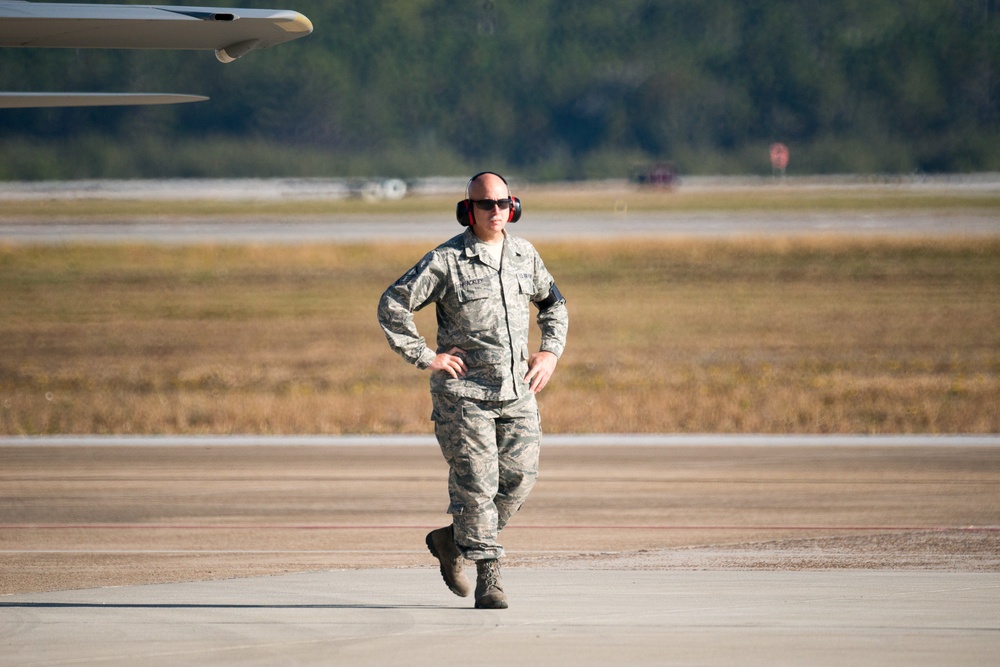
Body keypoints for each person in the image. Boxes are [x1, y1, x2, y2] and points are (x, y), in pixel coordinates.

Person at [377, 171, 568, 609]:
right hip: (464, 398)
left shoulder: (524, 255)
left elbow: (553, 305)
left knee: (519, 480)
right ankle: (489, 577)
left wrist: (550, 352)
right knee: (477, 487)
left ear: (513, 207)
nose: (495, 211)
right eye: (485, 204)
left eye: (502, 203)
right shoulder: (446, 261)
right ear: (469, 210)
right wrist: (426, 356)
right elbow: (393, 304)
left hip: (517, 391)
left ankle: (452, 540)